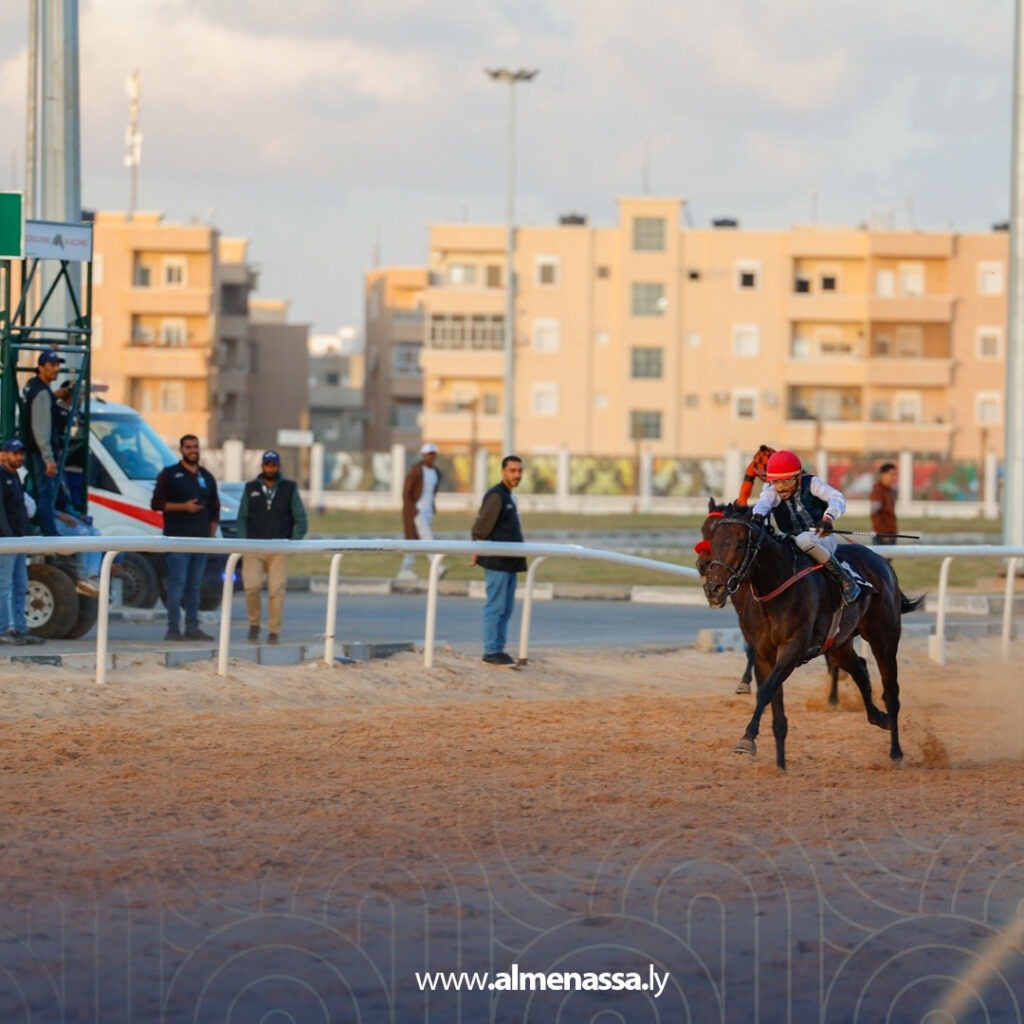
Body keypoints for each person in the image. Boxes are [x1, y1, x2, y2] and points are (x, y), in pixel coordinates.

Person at [751, 449, 861, 605]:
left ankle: (846, 580)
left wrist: (828, 518)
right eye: (775, 482)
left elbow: (836, 497)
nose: (781, 487)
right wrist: (756, 517)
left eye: (787, 481)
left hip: (821, 538)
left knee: (804, 540)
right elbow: (762, 505)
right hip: (791, 540)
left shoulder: (812, 483)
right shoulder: (771, 492)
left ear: (798, 477)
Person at [151, 434, 220, 642]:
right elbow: (156, 503)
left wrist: (212, 529)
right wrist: (184, 507)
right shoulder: (170, 474)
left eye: (196, 447)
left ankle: (192, 628)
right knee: (177, 584)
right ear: (181, 450)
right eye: (188, 447)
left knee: (194, 586)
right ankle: (173, 629)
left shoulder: (206, 476)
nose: (193, 450)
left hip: (200, 541)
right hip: (177, 539)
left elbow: (214, 506)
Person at [237, 450, 308, 644]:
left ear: (278, 466)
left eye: (273, 465)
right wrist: (243, 543)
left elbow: (300, 518)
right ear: (262, 466)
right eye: (267, 464)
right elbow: (242, 518)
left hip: (279, 548)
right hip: (254, 547)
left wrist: (293, 542)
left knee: (276, 590)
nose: (270, 468)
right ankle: (254, 624)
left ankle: (274, 631)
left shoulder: (289, 488)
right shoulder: (251, 487)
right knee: (251, 587)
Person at [470, 454, 526, 666]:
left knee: (506, 608)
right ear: (503, 471)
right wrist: (476, 549)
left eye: (519, 471)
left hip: (510, 560)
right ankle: (491, 650)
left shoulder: (510, 496)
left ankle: (498, 648)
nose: (516, 475)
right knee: (496, 606)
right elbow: (481, 526)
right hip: (497, 562)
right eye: (512, 471)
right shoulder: (497, 496)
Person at [0, 439, 44, 646]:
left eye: (21, 454)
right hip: (8, 541)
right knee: (4, 586)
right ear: (4, 454)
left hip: (19, 539)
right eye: (14, 453)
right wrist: (8, 536)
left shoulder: (15, 476)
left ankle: (20, 628)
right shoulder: (1, 476)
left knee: (20, 585)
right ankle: (3, 629)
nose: (19, 457)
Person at [21, 349, 65, 536]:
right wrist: (48, 458)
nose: (56, 369)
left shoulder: (33, 385)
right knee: (45, 495)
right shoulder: (42, 393)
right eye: (51, 365)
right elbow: (41, 428)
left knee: (37, 492)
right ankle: (49, 534)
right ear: (40, 367)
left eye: (57, 365)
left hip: (32, 449)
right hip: (40, 453)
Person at [398, 442, 443, 581]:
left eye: (432, 454)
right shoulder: (416, 471)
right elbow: (406, 493)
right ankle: (437, 567)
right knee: (427, 538)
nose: (430, 456)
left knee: (414, 542)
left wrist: (433, 507)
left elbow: (432, 492)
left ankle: (405, 570)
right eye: (428, 454)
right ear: (423, 455)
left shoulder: (435, 472)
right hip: (416, 512)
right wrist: (413, 510)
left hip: (428, 511)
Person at [870, 462, 899, 546]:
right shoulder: (878, 491)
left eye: (895, 475)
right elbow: (875, 514)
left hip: (891, 534)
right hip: (882, 536)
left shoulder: (890, 491)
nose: (894, 478)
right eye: (892, 475)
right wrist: (883, 534)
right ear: (883, 475)